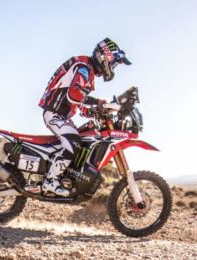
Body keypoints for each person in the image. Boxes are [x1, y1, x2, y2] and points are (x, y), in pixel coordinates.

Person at [38, 38, 130, 196]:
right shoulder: (84, 68)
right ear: (105, 57)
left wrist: (94, 112)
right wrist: (98, 103)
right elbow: (74, 95)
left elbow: (78, 102)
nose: (113, 67)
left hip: (62, 115)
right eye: (113, 63)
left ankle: (65, 178)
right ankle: (50, 182)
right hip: (54, 113)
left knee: (85, 137)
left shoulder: (87, 69)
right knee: (73, 142)